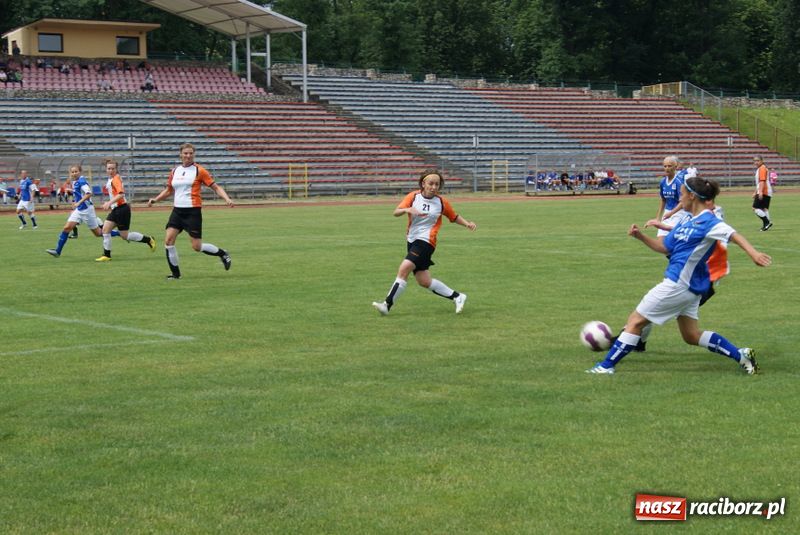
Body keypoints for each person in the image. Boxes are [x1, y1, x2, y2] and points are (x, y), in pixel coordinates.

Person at [587, 177, 772, 375]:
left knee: (635, 322)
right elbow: (665, 246)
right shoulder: (687, 221)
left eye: (682, 194)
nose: (679, 198)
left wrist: (754, 254)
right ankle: (741, 355)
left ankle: (606, 366)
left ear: (692, 196)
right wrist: (640, 236)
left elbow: (734, 234)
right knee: (691, 335)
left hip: (678, 284)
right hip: (690, 288)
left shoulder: (710, 221)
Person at [372, 168, 477, 315]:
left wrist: (467, 223)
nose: (434, 187)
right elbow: (396, 212)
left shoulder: (441, 202)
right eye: (431, 184)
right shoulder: (413, 196)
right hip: (412, 240)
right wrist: (407, 210)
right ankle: (458, 296)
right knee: (424, 281)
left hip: (427, 241)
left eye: (437, 184)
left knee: (404, 269)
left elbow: (453, 217)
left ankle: (386, 305)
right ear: (423, 183)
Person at [147, 143, 234, 279]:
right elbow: (169, 190)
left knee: (196, 246)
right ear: (180, 154)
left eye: (191, 153)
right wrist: (155, 199)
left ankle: (222, 253)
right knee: (169, 241)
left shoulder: (200, 171)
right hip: (177, 211)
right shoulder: (174, 171)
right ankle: (176, 275)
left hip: (192, 212)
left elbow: (215, 187)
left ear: (194, 154)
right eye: (185, 153)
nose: (188, 155)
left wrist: (227, 198)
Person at [96, 159, 156, 261]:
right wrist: (110, 203)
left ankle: (149, 239)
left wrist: (109, 203)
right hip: (116, 209)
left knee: (125, 236)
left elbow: (121, 194)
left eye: (113, 168)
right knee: (105, 230)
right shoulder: (110, 179)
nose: (111, 170)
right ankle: (106, 255)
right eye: (109, 168)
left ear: (116, 169)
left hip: (122, 209)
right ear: (106, 169)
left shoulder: (116, 179)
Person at [45, 165, 107, 257]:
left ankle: (120, 233)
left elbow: (89, 193)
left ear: (80, 172)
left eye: (76, 171)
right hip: (79, 210)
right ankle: (57, 251)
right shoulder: (74, 181)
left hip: (87, 210)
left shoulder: (81, 181)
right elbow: (77, 194)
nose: (74, 173)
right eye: (72, 172)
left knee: (98, 233)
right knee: (66, 228)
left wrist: (79, 203)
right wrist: (75, 202)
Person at [654, 156, 688, 240]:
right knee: (660, 240)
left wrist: (671, 213)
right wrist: (658, 218)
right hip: (667, 214)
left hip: (678, 214)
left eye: (669, 166)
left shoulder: (679, 182)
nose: (667, 168)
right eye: (665, 166)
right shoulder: (662, 182)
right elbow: (663, 200)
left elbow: (682, 202)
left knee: (672, 240)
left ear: (675, 167)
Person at [752, 156, 773, 231]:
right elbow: (759, 182)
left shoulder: (762, 168)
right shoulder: (760, 169)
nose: (756, 162)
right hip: (765, 190)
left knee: (755, 208)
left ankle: (767, 222)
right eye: (755, 161)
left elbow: (762, 181)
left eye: (758, 160)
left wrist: (760, 192)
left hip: (764, 190)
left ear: (762, 161)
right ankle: (768, 223)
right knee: (764, 209)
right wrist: (755, 191)